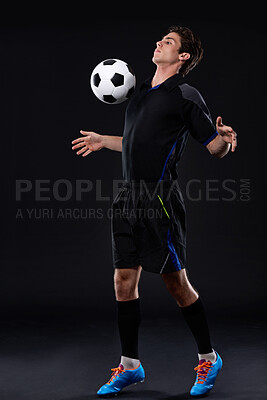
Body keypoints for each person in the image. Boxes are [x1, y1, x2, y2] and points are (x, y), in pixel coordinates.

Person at [71, 25, 237, 398]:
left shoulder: (185, 95)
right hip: (127, 197)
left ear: (183, 57)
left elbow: (213, 148)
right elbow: (136, 143)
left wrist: (227, 141)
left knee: (176, 285)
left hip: (158, 200)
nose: (159, 42)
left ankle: (209, 358)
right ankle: (130, 366)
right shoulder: (141, 92)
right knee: (123, 283)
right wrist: (102, 141)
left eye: (170, 42)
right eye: (161, 38)